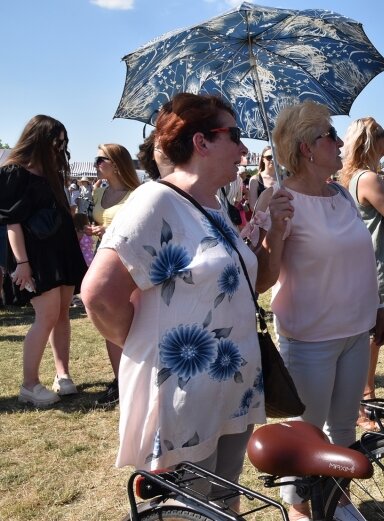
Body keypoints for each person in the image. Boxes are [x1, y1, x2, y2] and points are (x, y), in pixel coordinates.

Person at [81, 93, 292, 500]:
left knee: (223, 502)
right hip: (182, 395)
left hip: (231, 387)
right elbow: (98, 295)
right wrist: (149, 347)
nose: (244, 149)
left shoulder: (214, 205)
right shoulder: (156, 200)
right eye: (234, 136)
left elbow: (253, 284)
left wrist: (277, 231)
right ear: (201, 142)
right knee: (184, 508)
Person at [254, 100, 384, 521]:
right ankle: (297, 505)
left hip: (355, 330)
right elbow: (261, 279)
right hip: (309, 336)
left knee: (344, 428)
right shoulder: (275, 200)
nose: (339, 141)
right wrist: (274, 230)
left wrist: (378, 308)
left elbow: (361, 259)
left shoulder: (340, 195)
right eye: (330, 135)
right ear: (305, 147)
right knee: (305, 433)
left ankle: (334, 498)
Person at [0, 115, 88, 406]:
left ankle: (62, 374)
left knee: (62, 313)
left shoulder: (51, 171)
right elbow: (12, 223)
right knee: (47, 316)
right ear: (38, 138)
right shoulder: (14, 172)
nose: (60, 147)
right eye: (56, 141)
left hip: (61, 250)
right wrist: (22, 263)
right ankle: (29, 384)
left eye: (63, 142)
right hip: (36, 255)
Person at [339, 117, 384, 432]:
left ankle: (366, 399)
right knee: (371, 338)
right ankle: (361, 404)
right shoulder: (369, 179)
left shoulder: (354, 177)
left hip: (366, 262)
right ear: (372, 140)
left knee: (370, 340)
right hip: (376, 262)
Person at [87, 143, 142, 407]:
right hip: (103, 256)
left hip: (127, 259)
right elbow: (102, 221)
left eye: (102, 159)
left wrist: (107, 231)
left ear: (117, 162)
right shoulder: (100, 192)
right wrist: (97, 229)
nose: (97, 163)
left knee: (129, 318)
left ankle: (133, 378)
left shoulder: (136, 194)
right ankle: (119, 379)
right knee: (108, 319)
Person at [248, 145, 276, 212]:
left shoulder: (285, 178)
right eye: (269, 157)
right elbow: (253, 206)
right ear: (263, 159)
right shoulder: (255, 180)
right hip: (263, 219)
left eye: (275, 156)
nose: (272, 159)